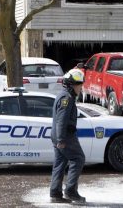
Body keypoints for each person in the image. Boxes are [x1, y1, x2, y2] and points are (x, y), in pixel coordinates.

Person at [50, 68, 86, 204]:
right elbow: (61, 119)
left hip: (59, 135)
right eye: (79, 85)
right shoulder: (67, 98)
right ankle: (71, 191)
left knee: (60, 164)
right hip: (65, 136)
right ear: (72, 85)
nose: (81, 88)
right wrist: (61, 139)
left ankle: (55, 194)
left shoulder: (64, 95)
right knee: (78, 158)